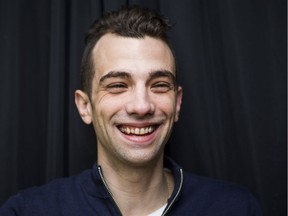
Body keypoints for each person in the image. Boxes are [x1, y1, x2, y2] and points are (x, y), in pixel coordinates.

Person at [0, 6, 261, 216]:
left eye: (159, 85)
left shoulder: (236, 208)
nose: (141, 106)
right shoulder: (27, 210)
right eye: (117, 85)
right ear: (85, 106)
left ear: (177, 102)